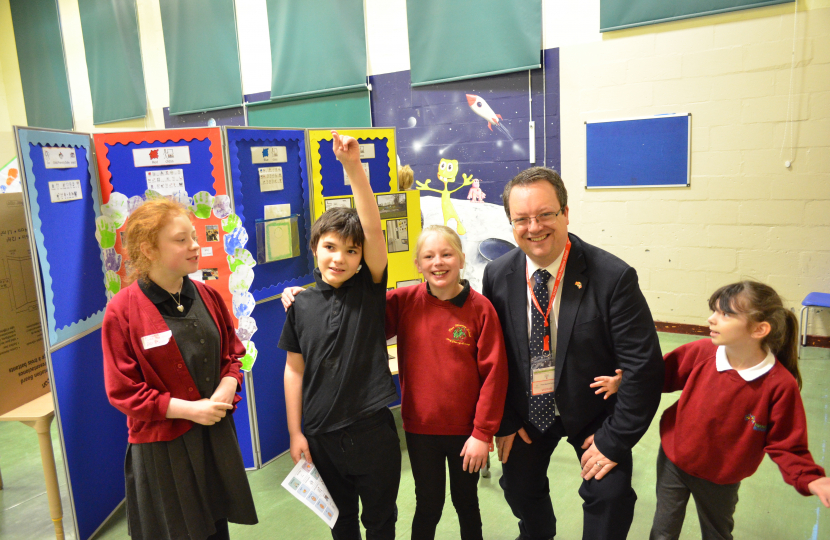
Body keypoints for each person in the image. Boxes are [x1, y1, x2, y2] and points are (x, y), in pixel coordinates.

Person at [284, 224, 508, 540]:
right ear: (418, 264)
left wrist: (483, 433)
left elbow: (495, 376)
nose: (438, 263)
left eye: (446, 254)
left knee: (466, 502)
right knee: (428, 504)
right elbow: (353, 309)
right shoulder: (404, 300)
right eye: (428, 256)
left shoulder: (481, 309)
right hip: (420, 430)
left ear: (460, 259)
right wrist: (305, 295)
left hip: (466, 433)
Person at [481, 166, 664, 540]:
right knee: (516, 484)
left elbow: (643, 368)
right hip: (528, 409)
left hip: (593, 409)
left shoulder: (613, 277)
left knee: (610, 495)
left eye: (546, 214)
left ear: (566, 213)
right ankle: (538, 533)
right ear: (510, 223)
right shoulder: (497, 275)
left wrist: (613, 441)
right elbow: (491, 356)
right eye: (522, 219)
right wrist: (503, 420)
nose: (534, 227)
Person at [102, 198, 257, 540]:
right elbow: (123, 391)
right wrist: (191, 410)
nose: (195, 245)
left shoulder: (207, 295)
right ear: (149, 249)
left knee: (217, 529)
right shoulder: (122, 311)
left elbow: (232, 355)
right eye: (181, 239)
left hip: (213, 438)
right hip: (164, 449)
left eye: (194, 236)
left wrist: (226, 388)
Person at [278, 131, 401, 540]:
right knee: (340, 523)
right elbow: (294, 371)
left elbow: (373, 230)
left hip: (372, 431)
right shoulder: (300, 304)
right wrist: (296, 432)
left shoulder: (369, 290)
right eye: (330, 247)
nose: (340, 258)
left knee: (381, 522)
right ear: (314, 247)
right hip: (320, 435)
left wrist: (353, 168)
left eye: (352, 251)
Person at [645, 281, 830, 539]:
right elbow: (656, 377)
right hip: (673, 461)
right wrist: (623, 381)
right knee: (663, 530)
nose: (711, 319)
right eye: (714, 311)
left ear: (759, 329)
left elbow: (787, 444)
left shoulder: (780, 386)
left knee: (717, 533)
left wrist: (810, 478)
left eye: (725, 314)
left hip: (722, 478)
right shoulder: (700, 352)